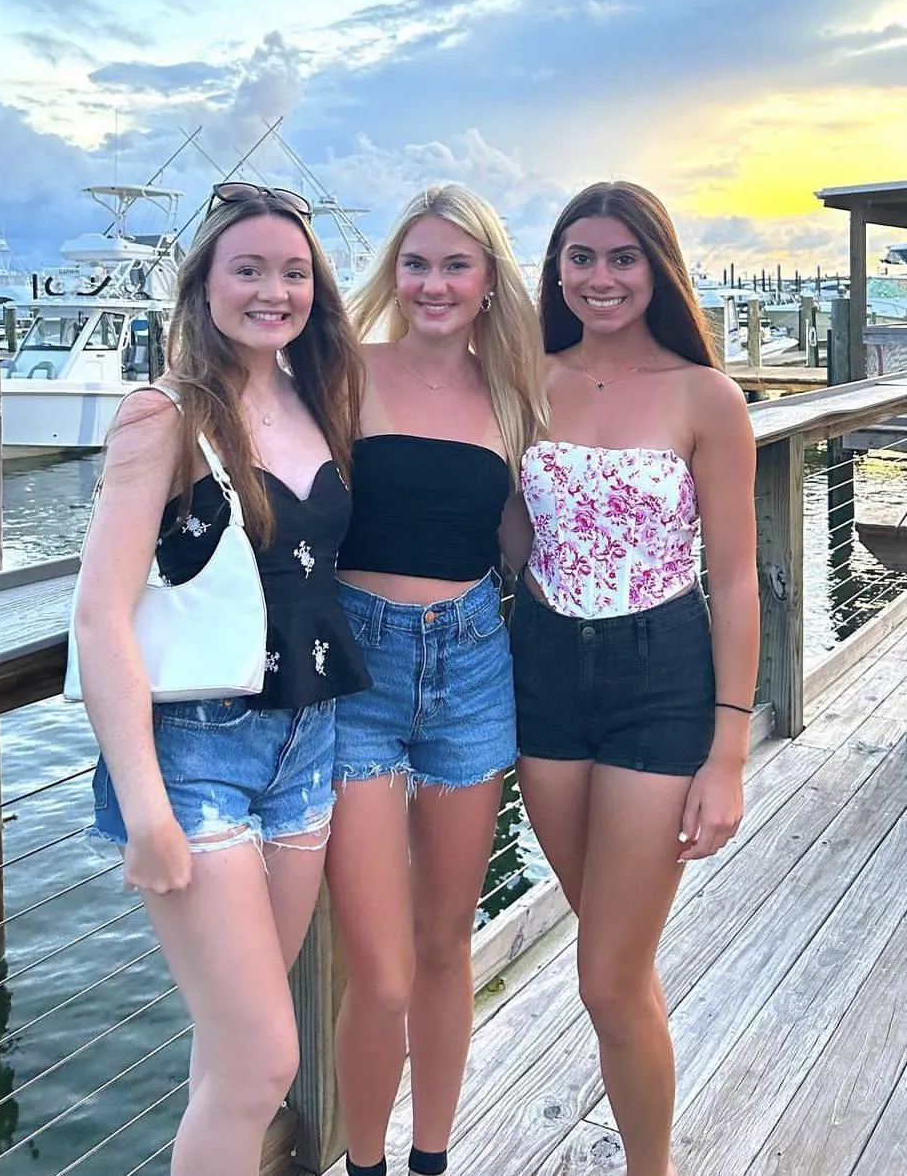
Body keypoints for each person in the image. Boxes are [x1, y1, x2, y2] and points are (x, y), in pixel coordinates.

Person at [74, 182, 369, 1176]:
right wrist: (147, 806)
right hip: (194, 751)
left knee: (233, 1052)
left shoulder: (310, 396)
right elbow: (100, 613)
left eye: (294, 272)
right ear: (203, 285)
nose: (273, 289)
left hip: (306, 743)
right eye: (248, 268)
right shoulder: (165, 414)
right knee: (261, 1060)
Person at [508, 180, 758, 1176]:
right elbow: (508, 529)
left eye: (622, 257)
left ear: (656, 266)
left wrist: (728, 750)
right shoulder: (524, 377)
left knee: (608, 977)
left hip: (664, 677)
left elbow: (736, 579)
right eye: (581, 256)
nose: (600, 277)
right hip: (544, 674)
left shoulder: (708, 397)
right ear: (556, 267)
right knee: (615, 954)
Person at [327, 184, 547, 1176]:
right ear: (393, 272)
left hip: (471, 664)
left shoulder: (513, 397)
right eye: (416, 262)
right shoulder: (341, 374)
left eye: (456, 264)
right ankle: (362, 1162)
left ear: (490, 281)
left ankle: (430, 1158)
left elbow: (525, 542)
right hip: (354, 672)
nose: (434, 282)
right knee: (375, 968)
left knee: (445, 942)